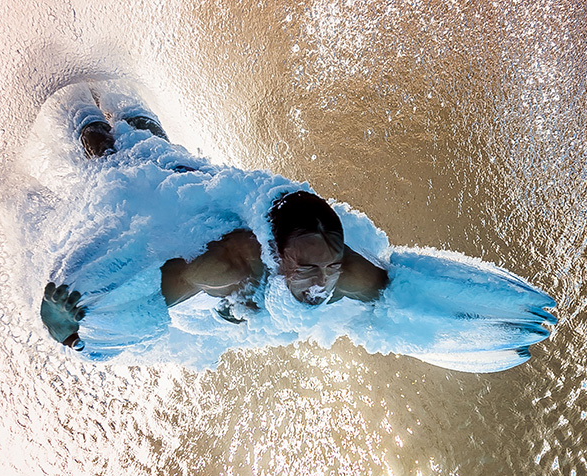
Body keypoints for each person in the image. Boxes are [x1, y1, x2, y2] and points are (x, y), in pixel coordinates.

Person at [40, 89, 389, 351]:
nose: (321, 283)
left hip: (194, 179)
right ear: (273, 253)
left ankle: (118, 91)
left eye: (331, 267)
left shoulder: (338, 272)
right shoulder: (227, 267)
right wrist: (66, 331)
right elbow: (141, 302)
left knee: (153, 139)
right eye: (308, 268)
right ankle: (72, 97)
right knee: (108, 152)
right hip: (157, 199)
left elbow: (409, 295)